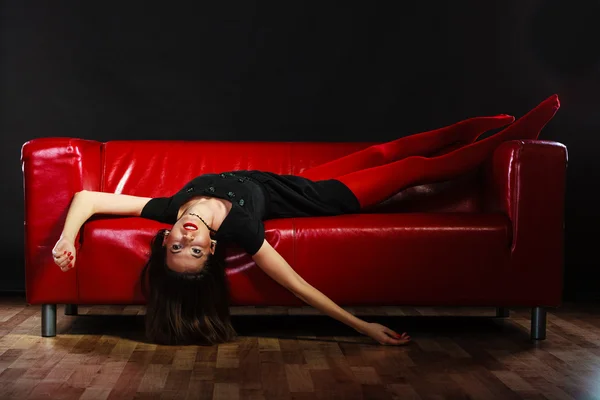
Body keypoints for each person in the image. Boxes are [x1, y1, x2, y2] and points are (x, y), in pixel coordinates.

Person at [52, 95, 559, 346]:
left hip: (300, 179)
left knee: (386, 149)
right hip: (326, 197)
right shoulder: (242, 232)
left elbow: (87, 198)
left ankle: (484, 127)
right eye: (198, 253)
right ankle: (512, 137)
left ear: (165, 241)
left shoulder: (165, 209)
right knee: (409, 170)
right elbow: (299, 287)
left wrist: (66, 238)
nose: (188, 241)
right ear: (212, 249)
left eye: (178, 250)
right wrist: (363, 327)